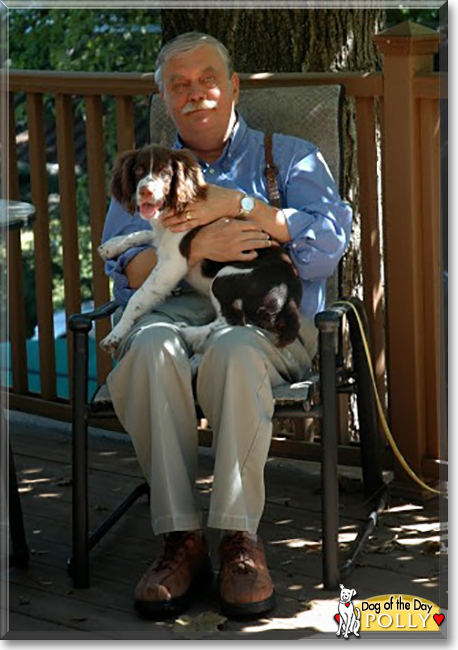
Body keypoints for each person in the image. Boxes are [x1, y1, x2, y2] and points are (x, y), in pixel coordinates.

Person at [101, 32, 352, 620]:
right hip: (171, 321)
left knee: (235, 350)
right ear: (165, 97)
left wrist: (241, 209)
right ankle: (180, 539)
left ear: (234, 85)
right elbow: (128, 271)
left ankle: (240, 540)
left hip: (267, 325)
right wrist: (199, 249)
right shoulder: (149, 173)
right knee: (148, 348)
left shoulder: (287, 156)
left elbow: (327, 244)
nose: (197, 93)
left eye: (208, 79)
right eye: (180, 85)